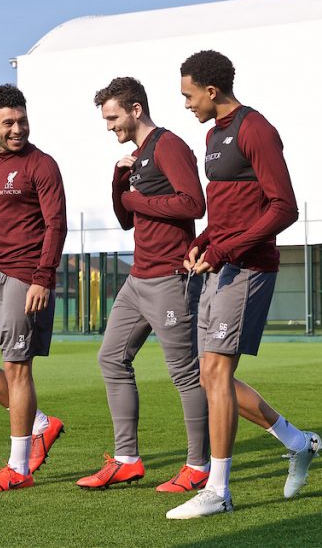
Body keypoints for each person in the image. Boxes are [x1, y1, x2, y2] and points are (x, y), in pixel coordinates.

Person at [165, 50, 320, 520]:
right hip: (219, 265)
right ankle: (298, 442)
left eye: (189, 96)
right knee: (213, 375)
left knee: (214, 372)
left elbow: (283, 208)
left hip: (249, 269)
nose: (186, 105)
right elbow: (227, 212)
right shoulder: (214, 135)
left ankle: (218, 491)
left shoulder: (256, 129)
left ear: (212, 92)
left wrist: (224, 250)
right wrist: (204, 242)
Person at [76, 77, 211, 493]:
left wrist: (136, 199)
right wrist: (119, 184)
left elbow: (194, 205)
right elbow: (126, 219)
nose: (109, 126)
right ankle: (127, 460)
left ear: (136, 110)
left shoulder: (169, 146)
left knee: (186, 374)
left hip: (171, 278)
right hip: (138, 279)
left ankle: (199, 467)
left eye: (113, 116)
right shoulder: (137, 156)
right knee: (111, 359)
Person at [0, 84, 68, 493]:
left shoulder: (42, 165)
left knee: (17, 369)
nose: (18, 128)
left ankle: (18, 468)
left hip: (25, 279)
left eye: (22, 120)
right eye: (9, 122)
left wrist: (43, 277)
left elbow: (57, 224)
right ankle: (40, 423)